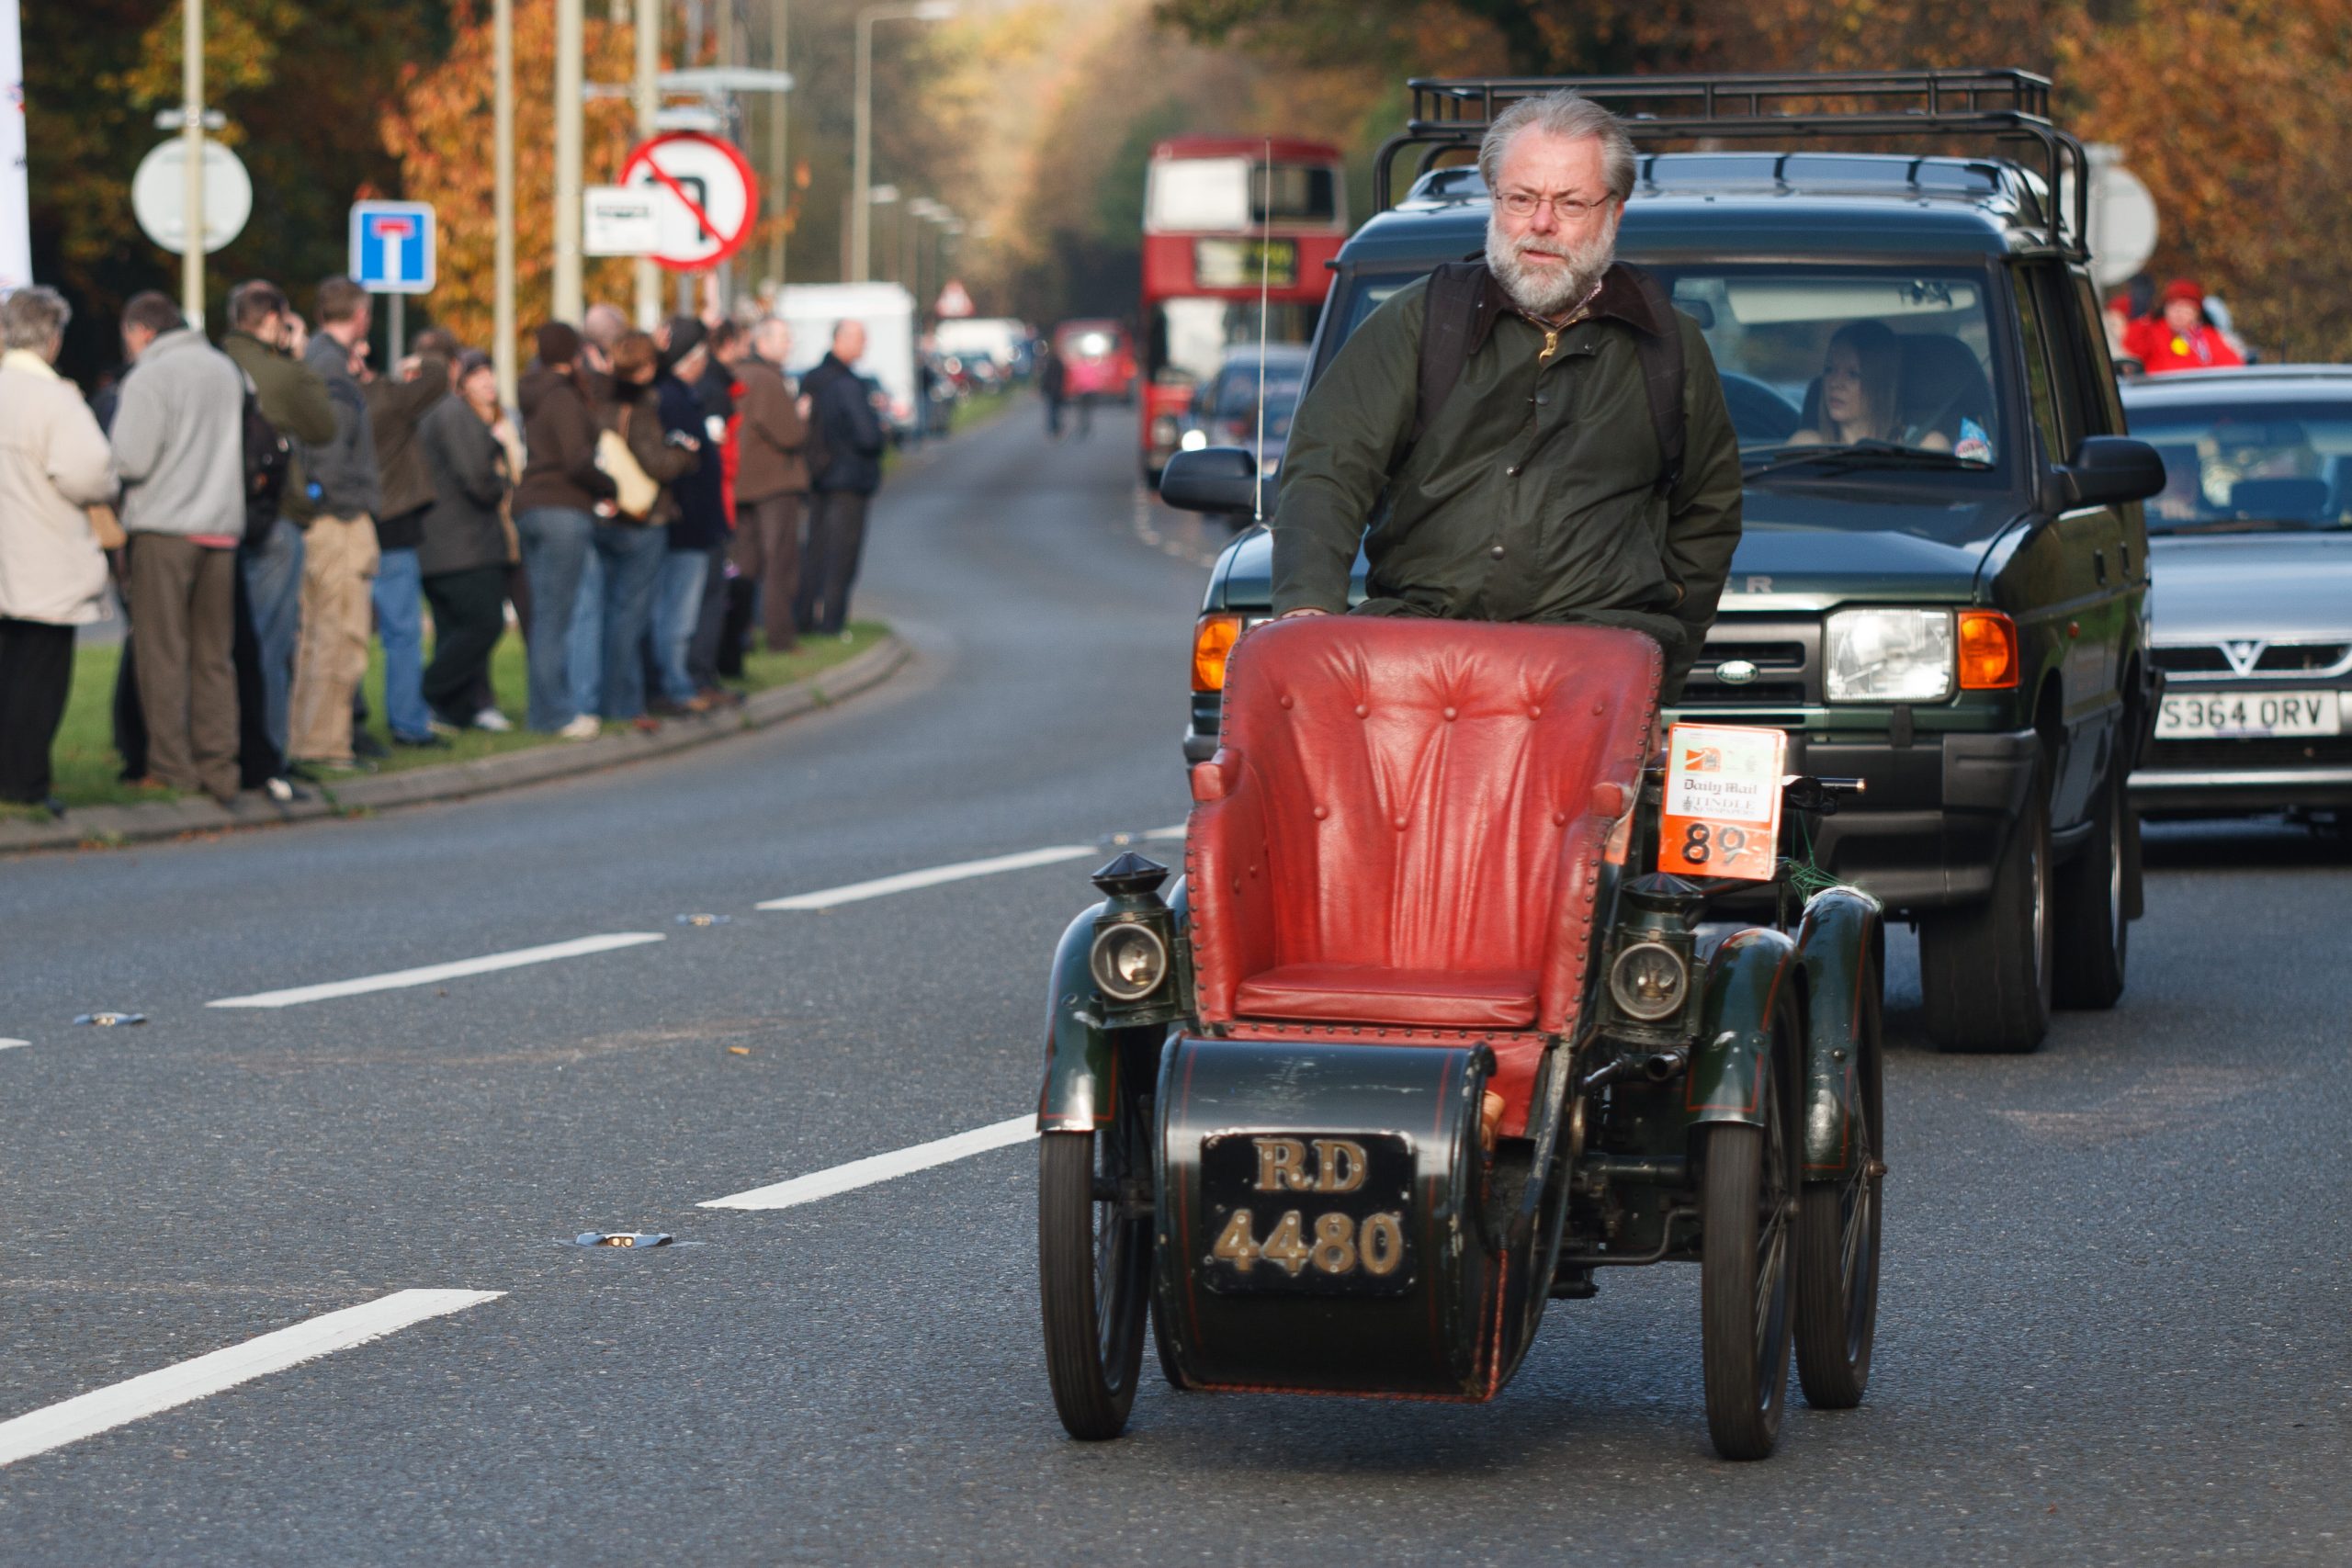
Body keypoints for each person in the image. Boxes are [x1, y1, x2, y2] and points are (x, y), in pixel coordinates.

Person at [1267, 89, 1742, 703]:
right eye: (1521, 199)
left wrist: (1658, 668)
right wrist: (1307, 608)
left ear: (1614, 212)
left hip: (1593, 687)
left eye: (1570, 203)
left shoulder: (1672, 349)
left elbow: (1708, 514)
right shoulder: (1417, 323)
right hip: (1415, 675)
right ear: (1494, 200)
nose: (1541, 224)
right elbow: (1328, 467)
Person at [107, 290, 251, 802]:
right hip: (221, 527)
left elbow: (131, 459)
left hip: (166, 529)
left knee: (163, 653)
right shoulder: (223, 369)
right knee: (215, 656)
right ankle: (221, 766)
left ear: (141, 331)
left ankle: (172, 766)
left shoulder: (151, 375)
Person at [0, 286, 116, 809]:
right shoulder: (55, 400)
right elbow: (90, 474)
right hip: (44, 556)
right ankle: (26, 783)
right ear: (52, 338)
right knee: (39, 680)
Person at [220, 280, 335, 795]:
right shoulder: (282, 371)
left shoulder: (218, 360)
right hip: (274, 517)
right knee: (269, 641)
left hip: (219, 516)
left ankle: (222, 746)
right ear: (272, 321)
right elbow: (323, 424)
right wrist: (297, 355)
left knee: (217, 643)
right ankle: (267, 752)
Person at [286, 276, 383, 773]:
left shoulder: (317, 362)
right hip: (338, 522)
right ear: (361, 316)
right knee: (339, 634)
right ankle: (323, 743)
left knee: (317, 635)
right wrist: (341, 503)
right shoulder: (332, 372)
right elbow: (328, 450)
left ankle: (310, 736)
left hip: (323, 517)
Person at [574, 329, 696, 724]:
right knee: (629, 616)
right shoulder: (640, 407)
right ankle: (622, 704)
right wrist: (684, 454)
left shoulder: (592, 397)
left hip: (601, 512)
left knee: (600, 611)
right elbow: (655, 464)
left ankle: (593, 698)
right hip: (641, 519)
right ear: (646, 368)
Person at [513, 321, 616, 739]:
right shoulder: (563, 398)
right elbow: (577, 459)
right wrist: (610, 486)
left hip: (533, 507)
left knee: (544, 616)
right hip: (561, 508)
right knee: (559, 615)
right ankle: (556, 712)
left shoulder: (532, 392)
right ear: (573, 354)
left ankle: (545, 708)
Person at [365, 325, 458, 748]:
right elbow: (439, 378)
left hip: (354, 521)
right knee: (403, 631)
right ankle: (408, 722)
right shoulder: (385, 400)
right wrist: (423, 360)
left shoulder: (330, 398)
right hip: (393, 523)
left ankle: (351, 722)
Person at [417, 350, 514, 731]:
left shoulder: (434, 413)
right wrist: (500, 483)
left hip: (444, 542)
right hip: (463, 543)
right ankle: (429, 692)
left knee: (455, 629)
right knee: (484, 623)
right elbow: (476, 476)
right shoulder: (452, 413)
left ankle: (452, 710)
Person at [797, 321, 888, 637]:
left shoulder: (813, 379)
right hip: (848, 477)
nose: (865, 346)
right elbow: (867, 435)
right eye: (861, 339)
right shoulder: (848, 384)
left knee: (816, 550)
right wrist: (879, 433)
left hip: (818, 475)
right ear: (842, 340)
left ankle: (804, 617)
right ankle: (831, 623)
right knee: (841, 555)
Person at [650, 317, 722, 713]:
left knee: (678, 610)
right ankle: (674, 683)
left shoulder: (676, 396)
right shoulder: (674, 399)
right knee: (676, 612)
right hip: (686, 524)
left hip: (689, 523)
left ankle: (677, 680)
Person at [730, 316, 810, 654]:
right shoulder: (767, 380)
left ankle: (739, 635)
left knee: (743, 562)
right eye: (783, 338)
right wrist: (802, 416)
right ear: (762, 343)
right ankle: (780, 636)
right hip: (773, 485)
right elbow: (789, 434)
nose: (790, 344)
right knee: (780, 562)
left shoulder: (736, 374)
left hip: (740, 483)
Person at [1789, 320, 1949, 450]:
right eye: (1829, 369)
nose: (1835, 383)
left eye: (1853, 374)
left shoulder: (1925, 448)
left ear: (1880, 386)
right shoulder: (1806, 447)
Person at [2134, 277, 2245, 374]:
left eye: (2185, 308)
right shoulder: (2151, 331)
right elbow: (2132, 350)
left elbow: (2231, 366)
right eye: (2173, 306)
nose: (2179, 313)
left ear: (2196, 314)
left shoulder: (2207, 337)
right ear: (2165, 309)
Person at [1038, 343, 1066, 439]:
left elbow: (1045, 379)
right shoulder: (1059, 363)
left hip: (1052, 391)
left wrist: (1043, 390)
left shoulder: (1048, 364)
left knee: (1052, 412)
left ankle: (1054, 430)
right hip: (1058, 391)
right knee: (1056, 411)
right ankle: (1057, 429)